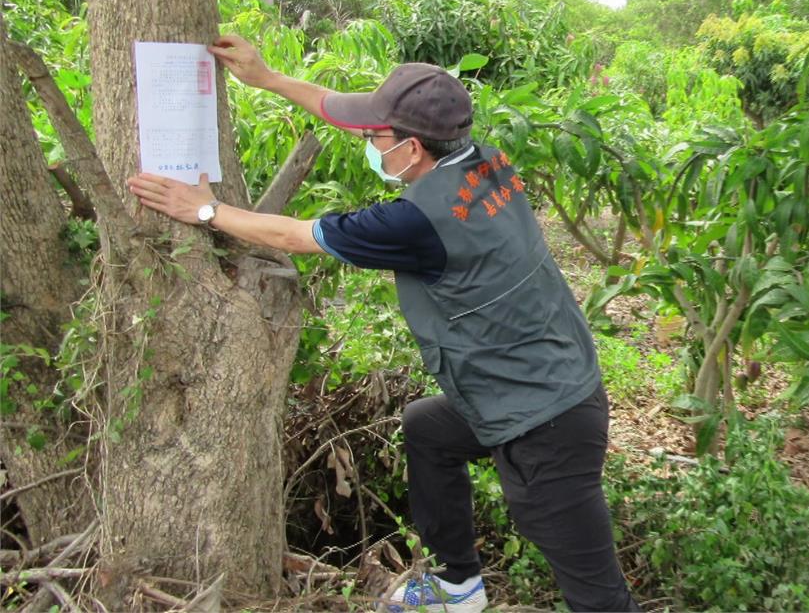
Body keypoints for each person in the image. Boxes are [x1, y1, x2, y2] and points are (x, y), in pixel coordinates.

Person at [127, 35, 640, 613]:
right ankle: (459, 587)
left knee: (597, 592)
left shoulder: (416, 221)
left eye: (376, 138)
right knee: (428, 429)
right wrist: (266, 78)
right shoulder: (482, 156)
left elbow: (294, 236)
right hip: (530, 378)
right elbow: (339, 106)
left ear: (413, 148)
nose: (368, 142)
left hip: (548, 420)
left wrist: (204, 209)